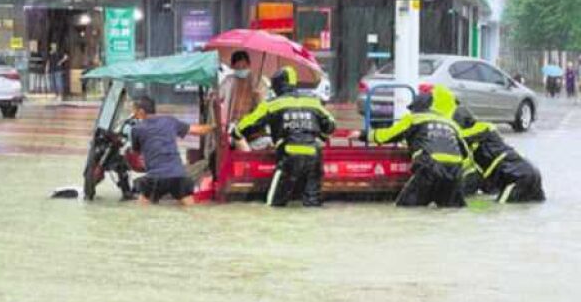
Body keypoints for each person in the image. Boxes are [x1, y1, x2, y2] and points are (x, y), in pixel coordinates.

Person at [232, 66, 336, 207]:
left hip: (289, 157)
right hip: (313, 156)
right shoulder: (313, 102)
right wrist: (319, 135)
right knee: (312, 204)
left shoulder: (272, 105)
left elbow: (246, 126)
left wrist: (236, 132)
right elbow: (331, 125)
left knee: (275, 205)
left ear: (277, 86)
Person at [351, 85, 468, 207]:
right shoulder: (452, 125)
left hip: (429, 168)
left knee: (406, 208)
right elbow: (465, 152)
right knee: (451, 212)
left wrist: (361, 135)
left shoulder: (414, 119)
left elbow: (386, 136)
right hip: (455, 172)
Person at [130, 96, 214, 206]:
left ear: (141, 111)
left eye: (134, 110)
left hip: (155, 177)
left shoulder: (136, 129)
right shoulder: (169, 121)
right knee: (191, 208)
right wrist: (215, 126)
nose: (133, 114)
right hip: (178, 175)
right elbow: (198, 130)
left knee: (141, 209)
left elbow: (136, 154)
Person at [453, 105, 545, 203]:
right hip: (530, 171)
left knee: (501, 209)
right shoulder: (486, 131)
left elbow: (459, 138)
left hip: (517, 177)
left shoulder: (481, 129)